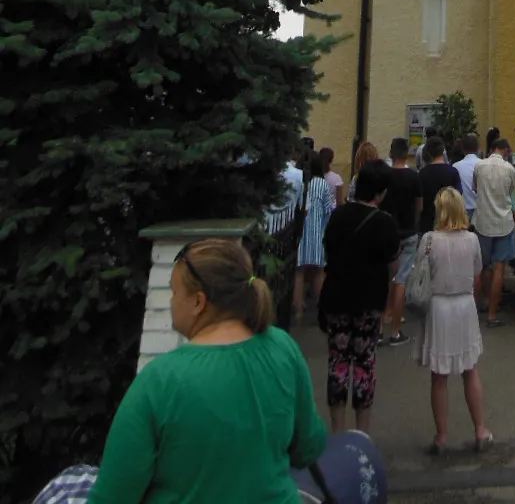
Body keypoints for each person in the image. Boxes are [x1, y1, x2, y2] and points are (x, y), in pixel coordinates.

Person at [87, 237, 325, 504]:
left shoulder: (159, 381)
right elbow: (309, 447)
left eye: (174, 292)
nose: (171, 302)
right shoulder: (283, 348)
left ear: (198, 302)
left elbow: (112, 497)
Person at [320, 159, 400, 435]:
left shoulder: (338, 215)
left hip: (337, 298)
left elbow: (328, 250)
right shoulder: (385, 223)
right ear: (379, 192)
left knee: (338, 362)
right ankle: (362, 434)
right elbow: (393, 264)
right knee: (365, 362)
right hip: (369, 301)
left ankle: (338, 432)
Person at [416, 187, 492, 456]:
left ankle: (441, 436)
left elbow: (420, 272)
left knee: (439, 375)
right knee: (470, 369)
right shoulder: (471, 240)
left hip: (439, 307)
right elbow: (477, 276)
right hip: (464, 305)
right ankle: (480, 429)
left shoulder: (428, 240)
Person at [380, 135, 422, 345]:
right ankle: (395, 331)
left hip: (386, 232)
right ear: (406, 154)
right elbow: (419, 206)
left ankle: (378, 329)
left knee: (383, 279)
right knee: (401, 281)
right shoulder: (414, 176)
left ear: (391, 152)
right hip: (408, 231)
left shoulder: (384, 176)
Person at [473, 136, 515, 326]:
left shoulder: (479, 166)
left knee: (482, 266)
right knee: (499, 268)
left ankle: (480, 303)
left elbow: (475, 188)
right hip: (503, 222)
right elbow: (511, 194)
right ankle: (492, 313)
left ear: (492, 149)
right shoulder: (510, 169)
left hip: (483, 221)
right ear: (505, 151)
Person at [293, 151, 335, 320]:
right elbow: (329, 209)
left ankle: (298, 311)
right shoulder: (321, 184)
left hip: (298, 233)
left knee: (299, 272)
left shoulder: (297, 182)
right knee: (319, 271)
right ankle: (321, 308)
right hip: (317, 232)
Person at [418, 136, 462, 234]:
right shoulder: (453, 171)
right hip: (449, 223)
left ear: (428, 152)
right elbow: (459, 195)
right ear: (443, 151)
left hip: (428, 223)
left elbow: (419, 201)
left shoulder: (422, 173)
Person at [456, 132, 483, 225]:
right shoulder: (484, 165)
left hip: (463, 210)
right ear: (478, 148)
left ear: (462, 149)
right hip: (481, 211)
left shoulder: (456, 167)